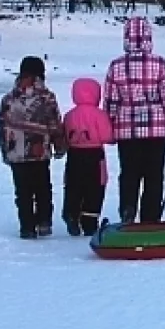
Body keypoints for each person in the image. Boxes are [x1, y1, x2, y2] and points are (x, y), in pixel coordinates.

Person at [104, 17, 165, 224]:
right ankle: (150, 217)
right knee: (154, 175)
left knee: (129, 174)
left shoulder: (116, 66)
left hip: (126, 131)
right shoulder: (160, 64)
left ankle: (128, 209)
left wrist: (108, 127)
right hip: (157, 131)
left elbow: (111, 102)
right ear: (149, 37)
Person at [0, 56, 66, 238]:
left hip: (16, 153)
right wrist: (59, 145)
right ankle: (43, 221)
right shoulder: (46, 97)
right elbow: (54, 124)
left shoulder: (8, 99)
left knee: (23, 192)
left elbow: (2, 127)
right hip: (39, 152)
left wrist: (5, 151)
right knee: (43, 188)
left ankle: (27, 226)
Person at [61, 77, 113, 236]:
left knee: (73, 186)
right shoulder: (99, 115)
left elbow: (64, 135)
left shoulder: (69, 115)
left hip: (74, 154)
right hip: (94, 155)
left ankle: (71, 214)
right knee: (95, 188)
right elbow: (107, 136)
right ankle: (89, 220)